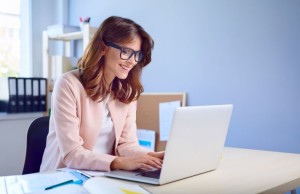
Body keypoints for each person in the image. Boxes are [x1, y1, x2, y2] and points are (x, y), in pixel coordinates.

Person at [40, 16, 164, 172]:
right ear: (103, 47)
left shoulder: (127, 92)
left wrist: (153, 157)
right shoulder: (68, 85)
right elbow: (72, 154)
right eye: (126, 51)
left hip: (102, 175)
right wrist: (119, 162)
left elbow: (126, 145)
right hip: (63, 177)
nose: (132, 61)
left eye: (136, 55)